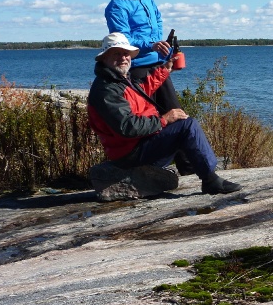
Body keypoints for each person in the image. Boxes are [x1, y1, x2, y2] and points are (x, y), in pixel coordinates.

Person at [87, 32, 242, 195]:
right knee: (187, 126)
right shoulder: (106, 90)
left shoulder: (118, 79)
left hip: (136, 146)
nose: (123, 58)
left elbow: (142, 90)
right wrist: (164, 120)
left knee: (182, 123)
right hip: (130, 154)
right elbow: (128, 127)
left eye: (126, 53)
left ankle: (201, 173)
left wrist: (165, 70)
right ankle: (211, 181)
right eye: (116, 53)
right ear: (104, 58)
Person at [105, 0, 191, 173]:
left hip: (157, 63)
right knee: (148, 117)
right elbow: (123, 39)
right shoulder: (117, 5)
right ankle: (145, 166)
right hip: (138, 67)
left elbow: (158, 24)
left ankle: (187, 163)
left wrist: (166, 49)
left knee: (175, 110)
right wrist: (151, 45)